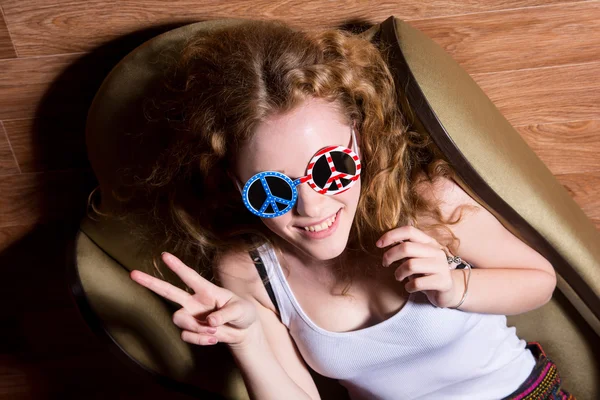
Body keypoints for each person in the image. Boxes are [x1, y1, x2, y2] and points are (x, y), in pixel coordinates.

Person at [118, 19, 575, 399]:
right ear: (234, 183)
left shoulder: (428, 203)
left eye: (330, 167)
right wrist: (249, 339)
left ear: (360, 140)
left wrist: (456, 286)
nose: (311, 207)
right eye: (270, 189)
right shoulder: (248, 271)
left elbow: (540, 281)